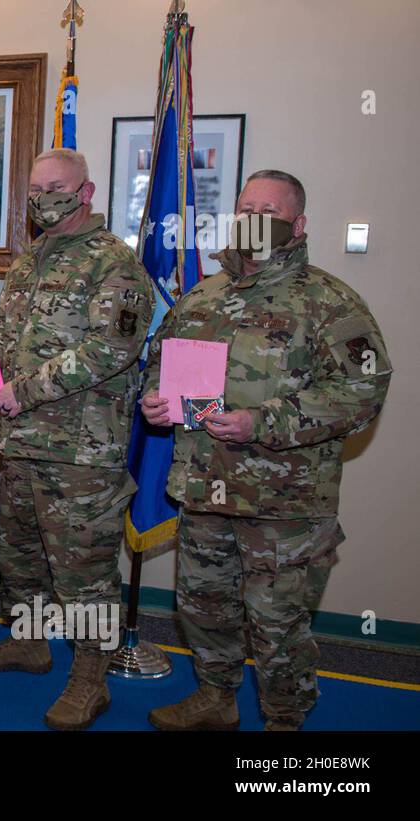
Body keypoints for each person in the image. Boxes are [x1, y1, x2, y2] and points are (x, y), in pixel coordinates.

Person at [141, 170, 391, 731]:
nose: (254, 219)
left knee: (277, 625)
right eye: (245, 207)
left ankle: (283, 721)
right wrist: (156, 400)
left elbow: (363, 391)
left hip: (286, 504)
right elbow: (163, 364)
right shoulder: (203, 295)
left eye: (269, 212)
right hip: (205, 486)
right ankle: (216, 697)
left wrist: (264, 420)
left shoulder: (328, 302)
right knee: (205, 610)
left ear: (297, 225)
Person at [0, 148, 154, 731]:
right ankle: (30, 644)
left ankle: (90, 679)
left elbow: (109, 350)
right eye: (36, 188)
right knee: (19, 559)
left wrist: (24, 390)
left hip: (83, 455)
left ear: (86, 192)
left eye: (56, 186)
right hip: (22, 444)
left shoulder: (115, 265)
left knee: (85, 576)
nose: (43, 197)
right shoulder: (28, 262)